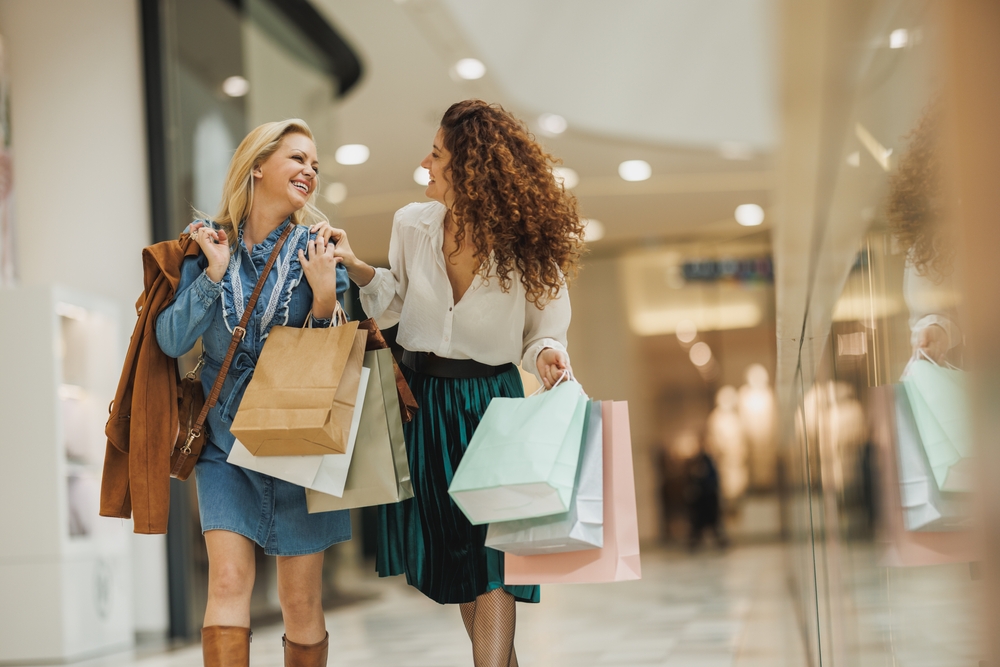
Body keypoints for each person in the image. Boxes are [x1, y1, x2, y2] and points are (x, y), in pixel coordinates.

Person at [329, 100, 584, 667]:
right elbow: (395, 307)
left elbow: (544, 334)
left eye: (438, 154)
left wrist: (547, 357)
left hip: (493, 407)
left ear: (470, 167)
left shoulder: (526, 245)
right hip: (426, 406)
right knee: (462, 563)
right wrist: (358, 266)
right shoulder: (410, 224)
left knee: (491, 561)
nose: (426, 161)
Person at [155, 119, 350, 667]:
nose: (309, 170)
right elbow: (171, 340)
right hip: (222, 441)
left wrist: (319, 298)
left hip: (300, 437)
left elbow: (336, 358)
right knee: (229, 579)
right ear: (257, 165)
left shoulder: (319, 249)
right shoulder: (208, 244)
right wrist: (213, 275)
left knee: (300, 597)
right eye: (297, 158)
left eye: (314, 163)